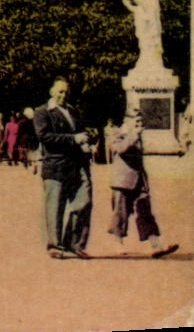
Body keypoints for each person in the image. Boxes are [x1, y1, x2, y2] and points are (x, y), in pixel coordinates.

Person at [33, 78, 93, 259]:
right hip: (56, 164)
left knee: (84, 200)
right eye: (60, 91)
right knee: (55, 207)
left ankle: (73, 242)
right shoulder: (43, 112)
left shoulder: (72, 111)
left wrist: (88, 138)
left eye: (66, 92)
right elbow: (45, 136)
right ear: (51, 91)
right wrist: (74, 139)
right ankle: (55, 245)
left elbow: (81, 131)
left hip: (77, 163)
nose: (63, 95)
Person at [106, 108, 178, 258]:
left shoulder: (137, 136)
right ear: (127, 120)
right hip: (122, 180)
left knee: (145, 211)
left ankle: (155, 245)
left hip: (139, 180)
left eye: (141, 121)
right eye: (137, 121)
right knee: (121, 213)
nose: (140, 124)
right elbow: (120, 149)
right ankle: (117, 243)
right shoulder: (117, 133)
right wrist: (134, 134)